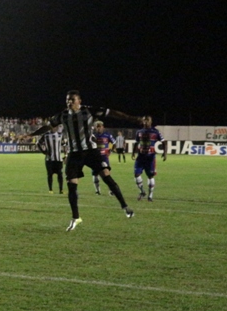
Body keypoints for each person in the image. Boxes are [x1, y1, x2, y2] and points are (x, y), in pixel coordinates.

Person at [29, 91, 144, 231]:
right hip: (74, 153)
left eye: (72, 100)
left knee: (106, 176)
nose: (69, 102)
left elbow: (112, 113)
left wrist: (132, 118)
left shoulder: (89, 111)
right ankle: (76, 218)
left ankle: (125, 207)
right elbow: (48, 126)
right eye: (67, 100)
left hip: (91, 151)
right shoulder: (63, 115)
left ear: (79, 100)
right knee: (71, 185)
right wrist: (30, 135)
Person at [133, 116, 166, 201]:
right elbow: (136, 143)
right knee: (136, 174)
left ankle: (150, 196)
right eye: (144, 120)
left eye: (148, 120)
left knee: (150, 176)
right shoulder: (139, 132)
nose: (146, 122)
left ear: (151, 122)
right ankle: (142, 191)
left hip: (150, 158)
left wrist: (164, 153)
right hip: (140, 157)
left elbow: (164, 141)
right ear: (142, 121)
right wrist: (133, 153)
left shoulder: (155, 132)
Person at [37, 124, 64, 194]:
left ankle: (61, 190)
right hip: (49, 159)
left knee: (60, 174)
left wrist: (66, 154)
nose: (54, 128)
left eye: (55, 126)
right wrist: (43, 151)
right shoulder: (46, 135)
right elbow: (38, 143)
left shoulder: (60, 135)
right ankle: (50, 189)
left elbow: (65, 144)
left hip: (58, 159)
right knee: (50, 174)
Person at [92, 121, 116, 195]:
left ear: (103, 127)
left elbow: (114, 143)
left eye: (100, 126)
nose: (99, 128)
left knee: (107, 173)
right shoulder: (93, 136)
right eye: (97, 126)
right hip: (95, 157)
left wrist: (111, 151)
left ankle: (110, 190)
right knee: (95, 174)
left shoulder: (107, 135)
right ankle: (97, 190)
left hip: (104, 157)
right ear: (95, 127)